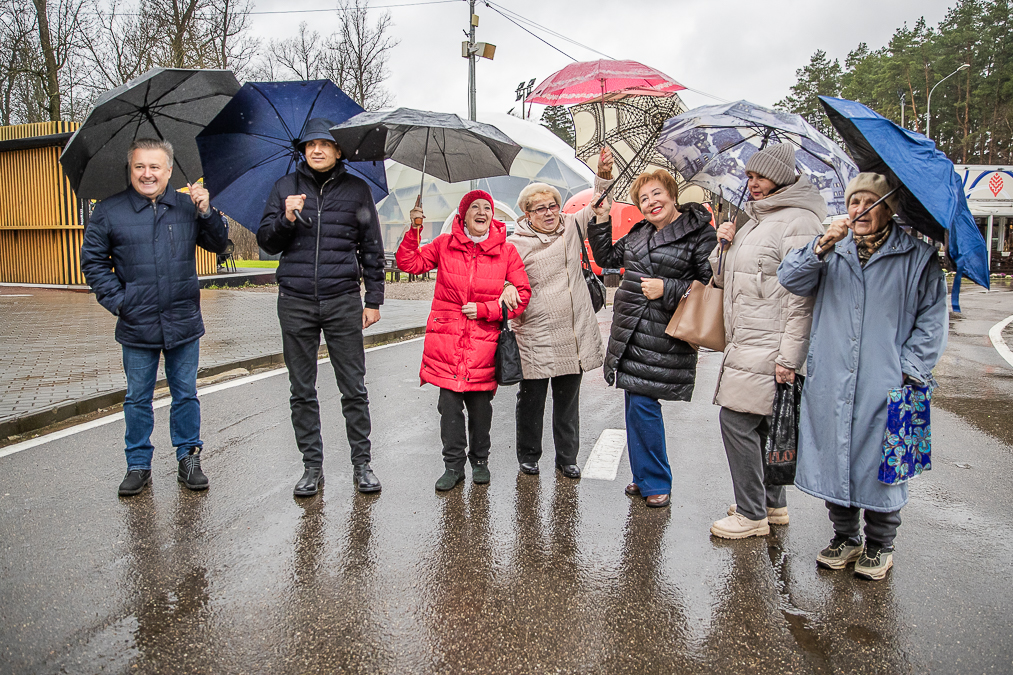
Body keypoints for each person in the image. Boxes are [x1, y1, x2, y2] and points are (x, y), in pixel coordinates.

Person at [778, 172, 948, 580]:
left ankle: (880, 544)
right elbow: (790, 279)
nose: (861, 210)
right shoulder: (832, 250)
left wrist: (910, 370)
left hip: (888, 378)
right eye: (855, 202)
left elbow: (932, 321)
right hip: (832, 375)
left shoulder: (917, 258)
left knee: (884, 465)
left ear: (889, 209)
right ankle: (845, 536)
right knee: (835, 455)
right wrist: (821, 245)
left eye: (871, 202)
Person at [81, 138, 229, 497]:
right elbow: (94, 263)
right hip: (137, 321)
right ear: (130, 170)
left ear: (168, 171)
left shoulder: (186, 205)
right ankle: (137, 464)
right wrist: (121, 302)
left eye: (155, 167)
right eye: (139, 167)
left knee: (185, 394)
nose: (147, 174)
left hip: (182, 319)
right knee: (137, 398)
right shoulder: (108, 211)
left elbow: (220, 245)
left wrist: (207, 212)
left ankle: (189, 458)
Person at [257, 118, 385, 497]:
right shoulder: (285, 188)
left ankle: (362, 464)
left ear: (338, 150)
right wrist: (287, 218)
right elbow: (267, 240)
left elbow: (372, 248)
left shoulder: (357, 190)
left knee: (353, 387)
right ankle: (312, 467)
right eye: (311, 144)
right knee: (302, 389)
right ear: (303, 150)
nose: (317, 150)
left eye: (325, 144)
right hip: (295, 301)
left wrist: (373, 299)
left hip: (343, 300)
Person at [706, 143, 827, 539]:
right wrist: (722, 245)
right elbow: (726, 281)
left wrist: (791, 357)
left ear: (779, 177)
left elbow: (803, 297)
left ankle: (750, 513)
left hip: (771, 344)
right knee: (762, 425)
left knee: (736, 421)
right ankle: (772, 505)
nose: (751, 182)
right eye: (750, 176)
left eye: (759, 176)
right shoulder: (758, 220)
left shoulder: (799, 223)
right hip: (748, 340)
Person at [588, 169, 717, 508]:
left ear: (672, 195)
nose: (651, 202)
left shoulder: (700, 235)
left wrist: (668, 288)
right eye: (643, 198)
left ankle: (656, 479)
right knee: (636, 406)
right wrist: (601, 220)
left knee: (643, 406)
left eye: (656, 194)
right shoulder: (640, 231)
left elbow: (712, 287)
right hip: (630, 331)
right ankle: (644, 475)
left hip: (663, 333)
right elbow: (606, 259)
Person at [396, 190, 531, 491]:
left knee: (481, 410)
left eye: (487, 208)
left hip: (485, 347)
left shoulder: (506, 252)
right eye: (475, 207)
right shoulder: (445, 245)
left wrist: (487, 310)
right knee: (449, 408)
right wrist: (415, 229)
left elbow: (522, 296)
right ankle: (453, 466)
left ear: (492, 216)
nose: (482, 212)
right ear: (464, 215)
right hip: (447, 344)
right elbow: (409, 264)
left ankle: (480, 461)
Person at [502, 148, 613, 479]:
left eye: (552, 205)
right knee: (532, 400)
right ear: (527, 214)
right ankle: (529, 455)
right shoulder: (516, 244)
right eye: (540, 208)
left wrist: (603, 172)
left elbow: (599, 201)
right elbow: (504, 277)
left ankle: (567, 457)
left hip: (572, 331)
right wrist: (506, 288)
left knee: (568, 402)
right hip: (534, 332)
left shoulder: (571, 226)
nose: (549, 212)